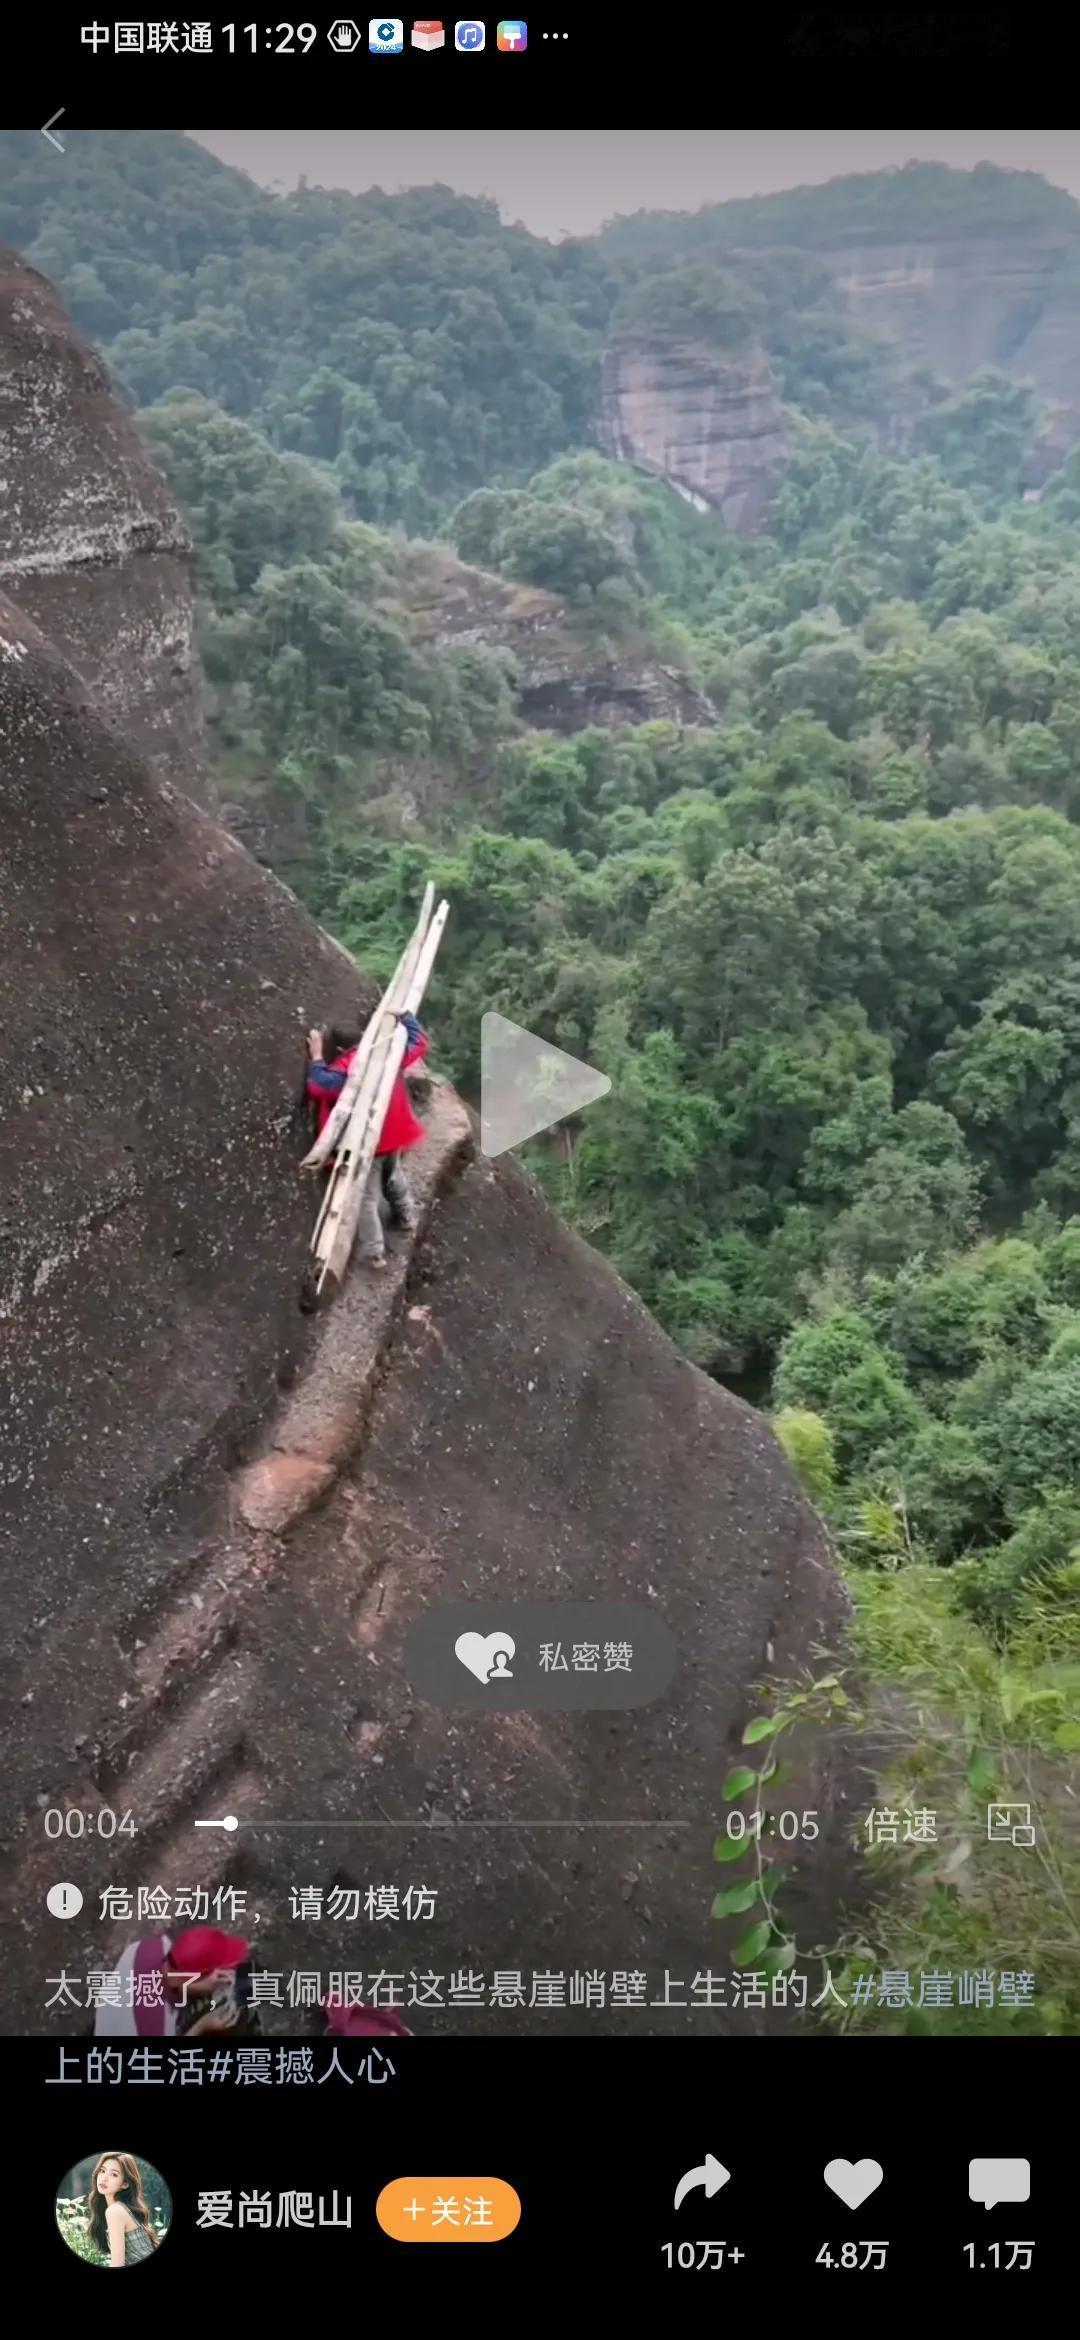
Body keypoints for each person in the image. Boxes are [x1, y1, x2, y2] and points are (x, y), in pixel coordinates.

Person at [305, 1012, 430, 1269]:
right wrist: (406, 1017)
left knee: (366, 1198)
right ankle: (406, 1216)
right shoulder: (388, 1055)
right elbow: (418, 1042)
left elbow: (319, 1086)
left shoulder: (349, 1070)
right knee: (393, 1175)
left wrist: (317, 1056)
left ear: (339, 1048)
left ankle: (374, 1253)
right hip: (393, 1132)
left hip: (369, 1142)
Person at [92, 1923, 253, 2039]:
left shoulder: (153, 1945)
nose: (225, 1975)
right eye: (221, 1970)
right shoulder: (159, 2026)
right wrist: (201, 2026)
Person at [86, 2152, 160, 2266]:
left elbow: (117, 2264)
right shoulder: (121, 2209)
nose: (104, 2178)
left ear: (125, 2184)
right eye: (102, 2170)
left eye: (114, 2174)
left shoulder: (115, 2211)